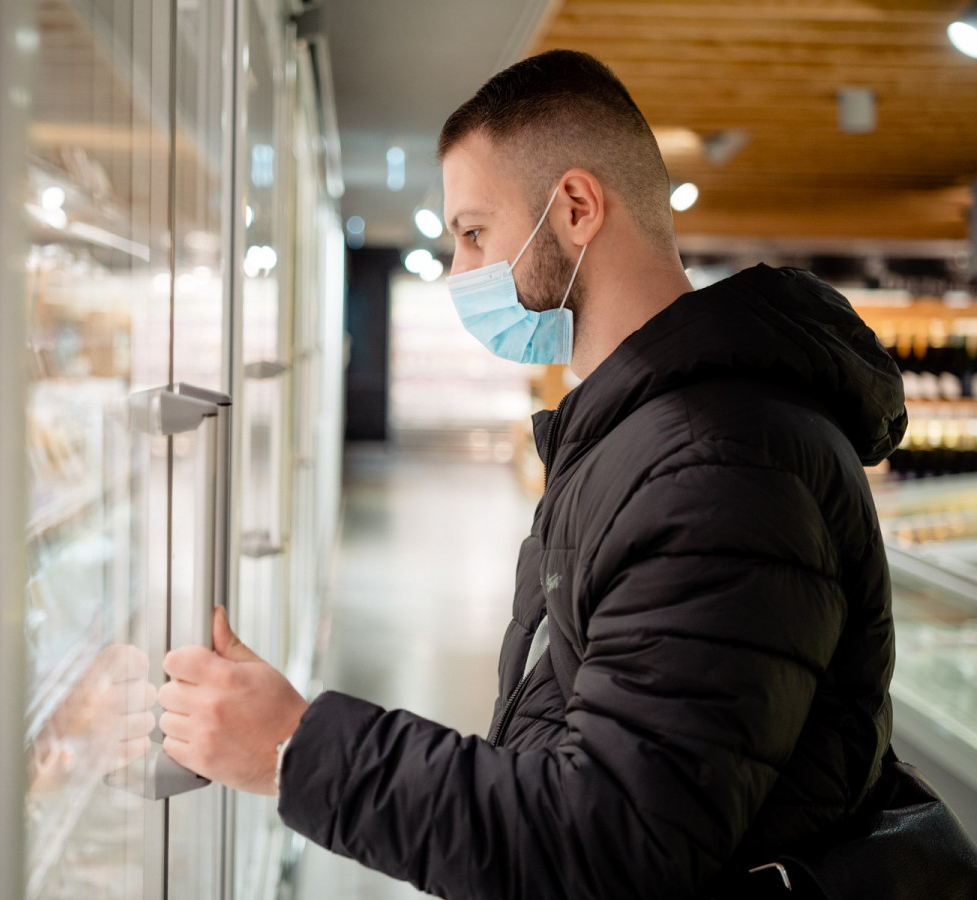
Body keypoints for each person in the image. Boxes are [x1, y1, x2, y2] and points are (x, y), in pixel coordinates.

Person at [157, 49, 907, 899]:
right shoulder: (640, 435)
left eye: (474, 231)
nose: (458, 271)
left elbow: (614, 841)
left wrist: (299, 750)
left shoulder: (715, 463)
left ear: (577, 208)